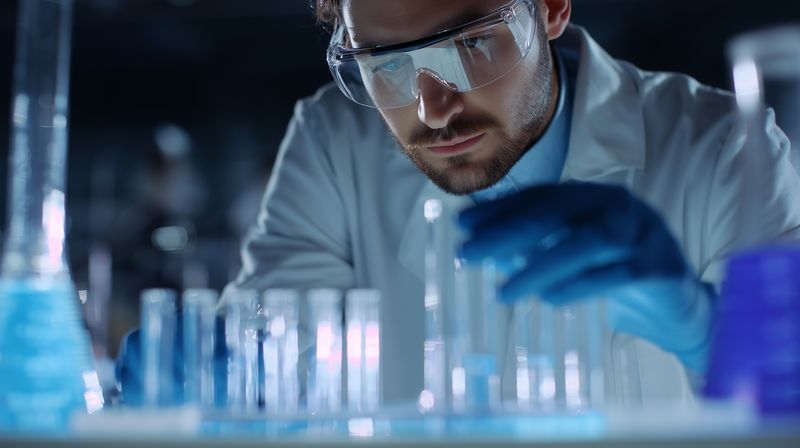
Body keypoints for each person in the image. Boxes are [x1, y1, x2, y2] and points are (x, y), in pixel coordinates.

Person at [119, 0, 800, 405]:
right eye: (384, 63)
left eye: (470, 45)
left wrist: (707, 330)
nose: (433, 109)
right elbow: (277, 350)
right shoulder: (334, 139)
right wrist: (225, 383)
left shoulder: (720, 147)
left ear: (552, 8)